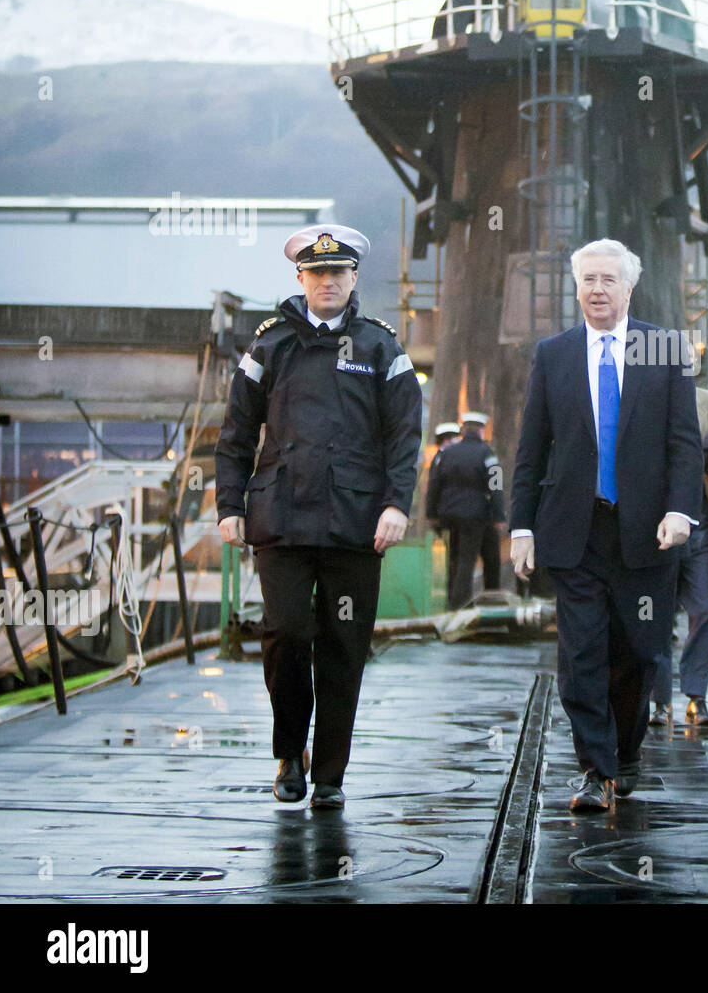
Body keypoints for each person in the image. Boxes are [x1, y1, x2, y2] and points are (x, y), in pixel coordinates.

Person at [215, 224, 422, 810]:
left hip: (355, 522)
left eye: (338, 272)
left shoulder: (381, 346)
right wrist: (230, 505)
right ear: (300, 278)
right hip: (279, 517)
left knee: (343, 644)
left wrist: (396, 504)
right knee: (284, 634)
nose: (328, 281)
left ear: (354, 278)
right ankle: (289, 755)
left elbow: (405, 437)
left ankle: (329, 772)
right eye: (317, 272)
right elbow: (235, 434)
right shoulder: (270, 344)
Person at [510, 238, 703, 813]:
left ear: (628, 288)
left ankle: (626, 749)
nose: (597, 289)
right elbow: (531, 450)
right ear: (576, 287)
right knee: (582, 652)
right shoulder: (554, 354)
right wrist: (522, 527)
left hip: (647, 531)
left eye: (608, 280)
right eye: (588, 279)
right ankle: (595, 769)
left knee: (640, 650)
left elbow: (685, 443)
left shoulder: (662, 348)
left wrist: (679, 508)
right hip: (576, 528)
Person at [649, 388, 708, 728]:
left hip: (701, 527)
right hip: (657, 526)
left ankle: (697, 697)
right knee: (656, 617)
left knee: (705, 611)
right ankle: (659, 701)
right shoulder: (642, 397)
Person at [426, 411, 505, 610]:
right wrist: (499, 515)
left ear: (463, 430)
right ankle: (460, 607)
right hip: (475, 514)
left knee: (456, 557)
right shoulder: (487, 453)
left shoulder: (447, 453)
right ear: (481, 430)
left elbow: (434, 484)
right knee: (468, 560)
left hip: (448, 513)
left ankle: (454, 600)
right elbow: (496, 485)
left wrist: (431, 514)